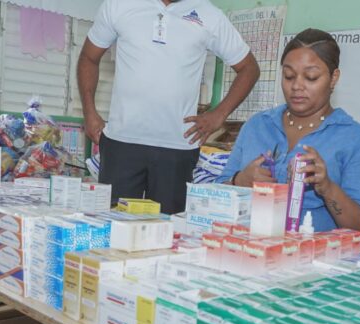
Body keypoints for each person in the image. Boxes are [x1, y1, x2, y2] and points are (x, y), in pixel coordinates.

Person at [77, 0, 260, 214]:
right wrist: (89, 113)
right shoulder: (119, 5)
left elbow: (249, 68)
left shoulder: (210, 15)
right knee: (113, 224)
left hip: (178, 149)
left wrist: (219, 114)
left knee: (169, 228)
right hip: (122, 143)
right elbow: (89, 58)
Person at [217, 28, 360, 247]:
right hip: (249, 251)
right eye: (288, 76)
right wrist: (239, 181)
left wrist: (328, 189)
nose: (296, 86)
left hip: (315, 260)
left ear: (333, 78)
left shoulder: (354, 140)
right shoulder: (257, 126)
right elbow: (214, 196)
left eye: (311, 77)